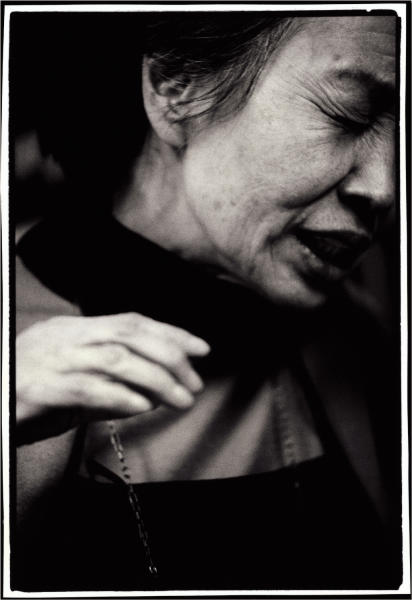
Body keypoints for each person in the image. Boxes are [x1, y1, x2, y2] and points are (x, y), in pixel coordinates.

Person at [12, 11, 401, 592]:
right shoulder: (16, 344)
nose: (386, 188)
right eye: (350, 113)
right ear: (176, 87)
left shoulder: (356, 340)